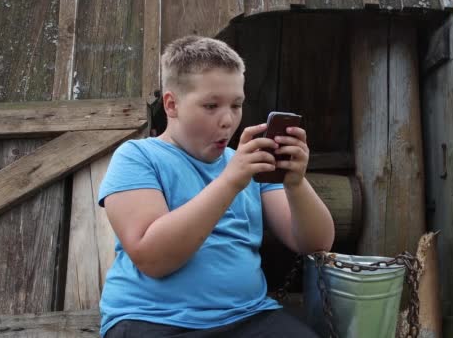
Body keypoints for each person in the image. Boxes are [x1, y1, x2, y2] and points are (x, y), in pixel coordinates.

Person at [98, 35, 335, 337]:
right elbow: (152, 259)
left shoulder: (245, 163)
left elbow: (316, 244)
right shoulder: (138, 157)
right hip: (154, 320)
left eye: (236, 105)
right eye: (211, 105)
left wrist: (296, 184)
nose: (228, 120)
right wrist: (229, 182)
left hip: (249, 316)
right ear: (172, 104)